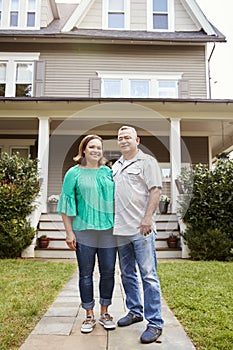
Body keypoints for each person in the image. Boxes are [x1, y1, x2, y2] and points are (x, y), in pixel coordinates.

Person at [57, 135, 117, 334]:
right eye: (92, 147)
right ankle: (89, 315)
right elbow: (65, 204)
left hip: (109, 231)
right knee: (86, 274)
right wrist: (68, 232)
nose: (96, 151)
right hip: (83, 230)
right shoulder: (73, 173)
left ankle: (105, 312)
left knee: (108, 272)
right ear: (83, 150)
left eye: (99, 148)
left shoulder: (108, 172)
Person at [112, 126, 164, 344]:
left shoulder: (147, 162)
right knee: (127, 274)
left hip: (141, 229)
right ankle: (135, 311)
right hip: (120, 230)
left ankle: (155, 323)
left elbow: (156, 190)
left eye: (127, 137)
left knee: (148, 275)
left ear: (137, 140)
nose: (123, 141)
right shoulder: (115, 166)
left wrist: (147, 218)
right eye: (120, 138)